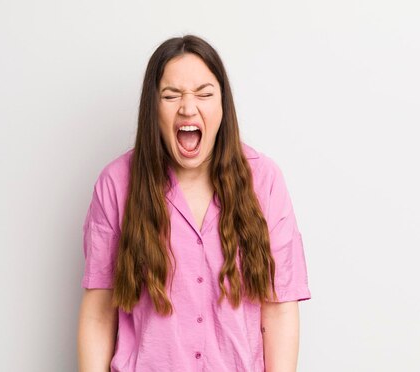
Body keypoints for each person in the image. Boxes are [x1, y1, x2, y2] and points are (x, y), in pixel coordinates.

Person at [77, 35, 310, 372]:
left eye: (204, 94)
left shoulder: (265, 180)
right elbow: (99, 312)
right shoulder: (116, 183)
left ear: (222, 105)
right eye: (171, 95)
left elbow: (280, 308)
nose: (188, 107)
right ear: (153, 107)